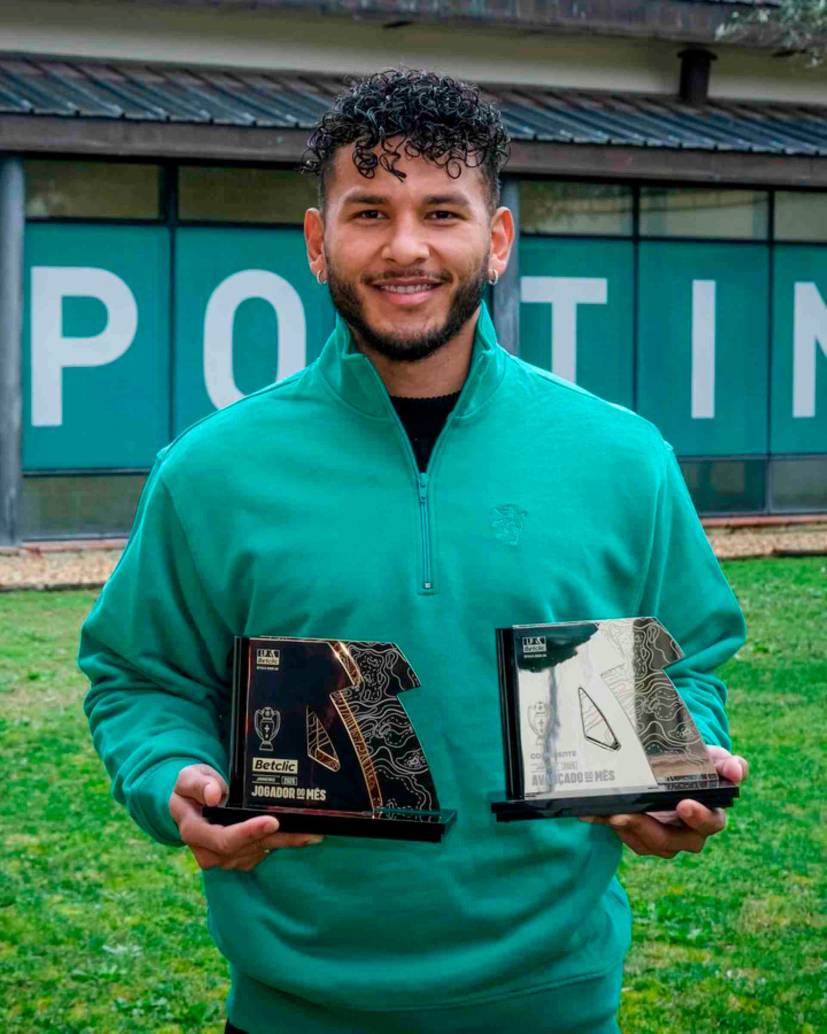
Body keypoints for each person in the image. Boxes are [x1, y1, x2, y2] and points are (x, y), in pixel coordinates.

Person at [79, 68, 749, 1034]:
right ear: (318, 242)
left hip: (555, 1006)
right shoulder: (212, 470)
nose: (406, 247)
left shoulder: (620, 457)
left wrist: (672, 765)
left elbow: (684, 661)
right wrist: (170, 778)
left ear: (497, 239)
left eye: (442, 212)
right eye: (368, 213)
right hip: (294, 1010)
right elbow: (142, 677)